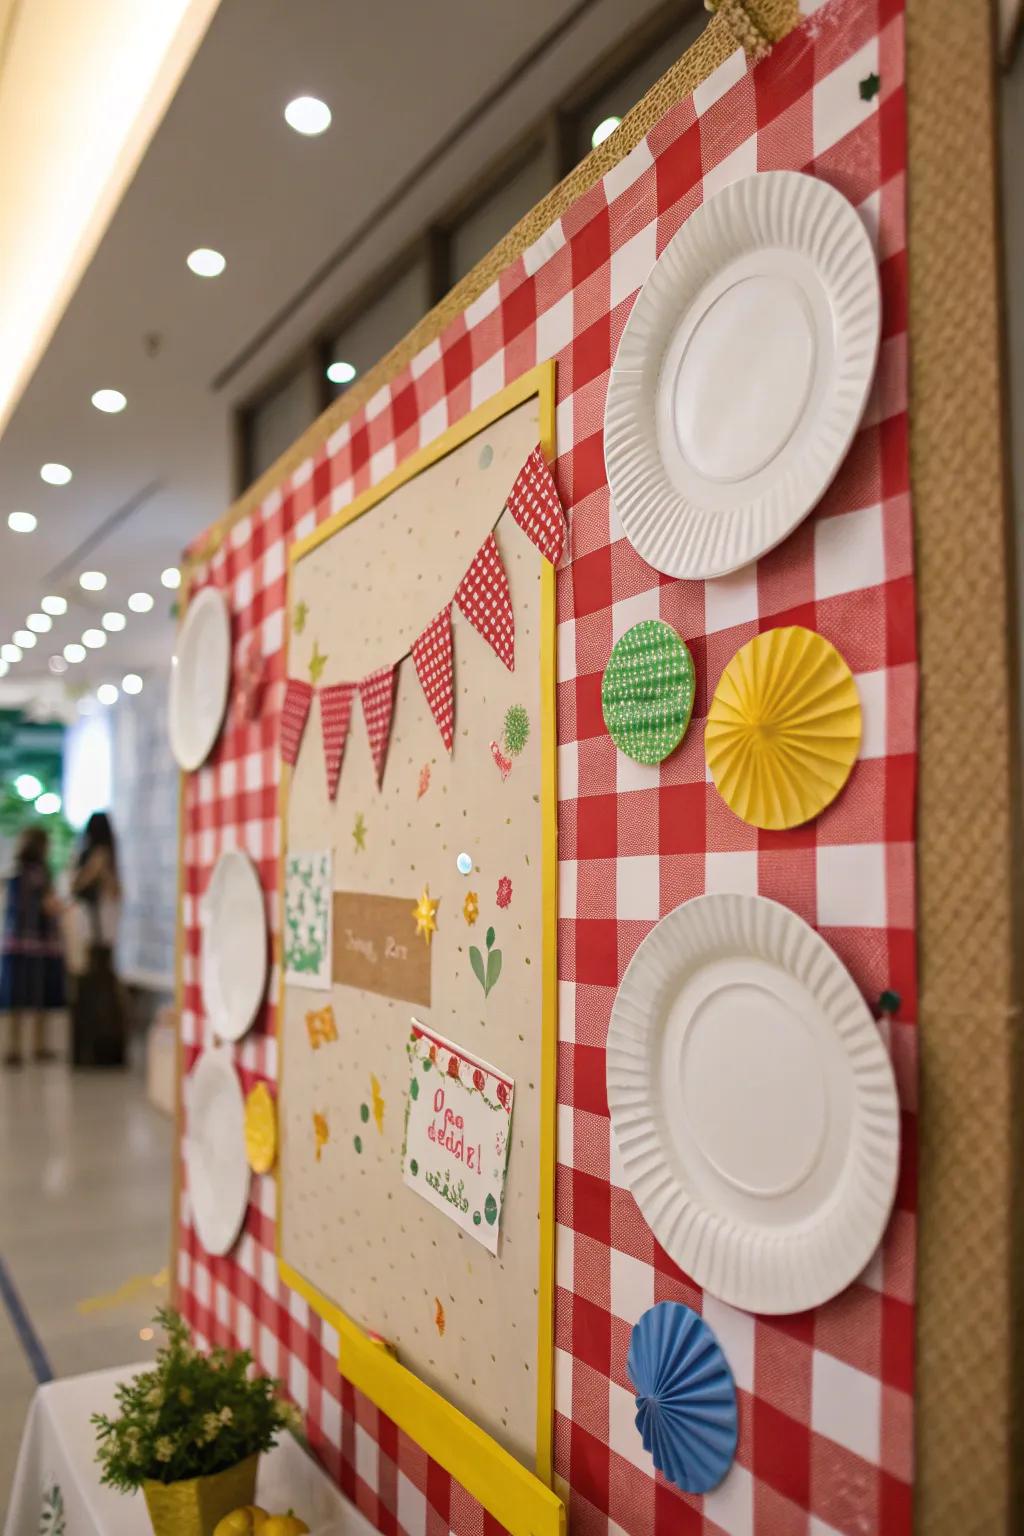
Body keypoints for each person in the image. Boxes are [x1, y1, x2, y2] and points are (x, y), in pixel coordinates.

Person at [0, 826, 66, 1067]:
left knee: (16, 998)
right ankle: (37, 1046)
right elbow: (48, 905)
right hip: (38, 943)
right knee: (38, 996)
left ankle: (13, 1047)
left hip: (15, 942)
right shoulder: (40, 874)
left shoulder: (15, 872)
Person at [70, 811, 126, 1067]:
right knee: (88, 989)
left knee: (105, 989)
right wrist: (94, 868)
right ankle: (87, 1048)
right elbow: (75, 888)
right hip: (89, 933)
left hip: (105, 933)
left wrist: (104, 871)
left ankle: (106, 1048)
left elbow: (116, 893)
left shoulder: (113, 860)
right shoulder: (84, 856)